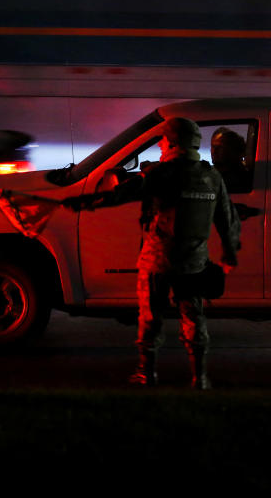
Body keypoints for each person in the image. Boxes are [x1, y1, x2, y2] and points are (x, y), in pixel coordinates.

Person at [62, 118, 240, 389]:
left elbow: (116, 195)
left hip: (156, 261)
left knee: (150, 318)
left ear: (171, 142)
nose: (159, 145)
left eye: (162, 140)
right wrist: (229, 252)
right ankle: (199, 377)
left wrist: (81, 202)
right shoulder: (211, 177)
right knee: (193, 318)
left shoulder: (159, 174)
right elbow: (226, 219)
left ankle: (148, 374)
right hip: (193, 263)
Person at [210, 126, 252, 193]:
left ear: (232, 150)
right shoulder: (208, 173)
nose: (214, 151)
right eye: (213, 146)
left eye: (220, 147)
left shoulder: (242, 177)